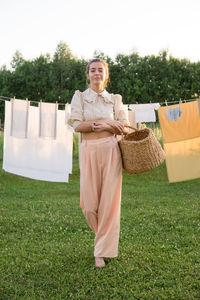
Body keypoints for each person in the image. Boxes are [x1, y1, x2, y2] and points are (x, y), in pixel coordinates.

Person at [68, 58, 129, 267]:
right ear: (88, 75)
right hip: (89, 151)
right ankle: (104, 239)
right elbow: (77, 126)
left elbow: (123, 126)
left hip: (112, 152)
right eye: (92, 70)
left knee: (109, 204)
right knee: (89, 205)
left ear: (106, 75)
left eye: (100, 70)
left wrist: (104, 125)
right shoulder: (80, 97)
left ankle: (100, 252)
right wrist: (107, 123)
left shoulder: (115, 99)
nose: (96, 74)